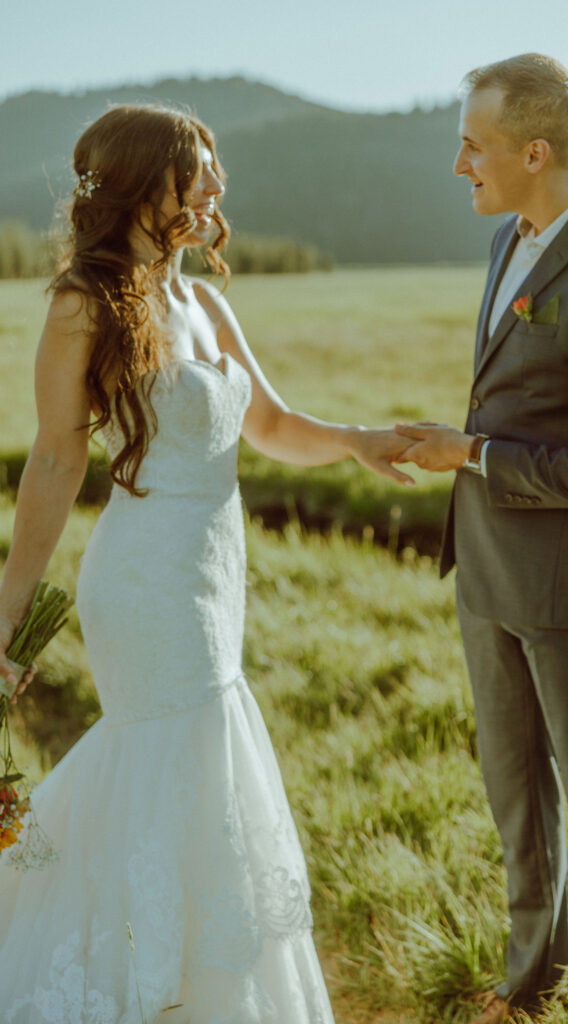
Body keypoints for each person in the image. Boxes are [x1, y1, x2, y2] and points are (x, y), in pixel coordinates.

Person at [0, 103, 413, 1023]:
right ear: (147, 183)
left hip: (214, 576)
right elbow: (59, 458)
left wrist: (359, 441)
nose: (218, 188)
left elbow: (268, 424)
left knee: (193, 771)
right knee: (180, 758)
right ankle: (146, 989)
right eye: (200, 170)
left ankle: (182, 986)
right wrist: (8, 613)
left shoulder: (202, 301)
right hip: (145, 584)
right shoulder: (86, 303)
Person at [395, 54, 568, 1024]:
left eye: (471, 146)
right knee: (515, 798)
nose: (457, 164)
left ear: (533, 150)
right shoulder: (507, 238)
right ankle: (528, 981)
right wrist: (466, 456)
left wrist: (472, 452)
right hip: (488, 575)